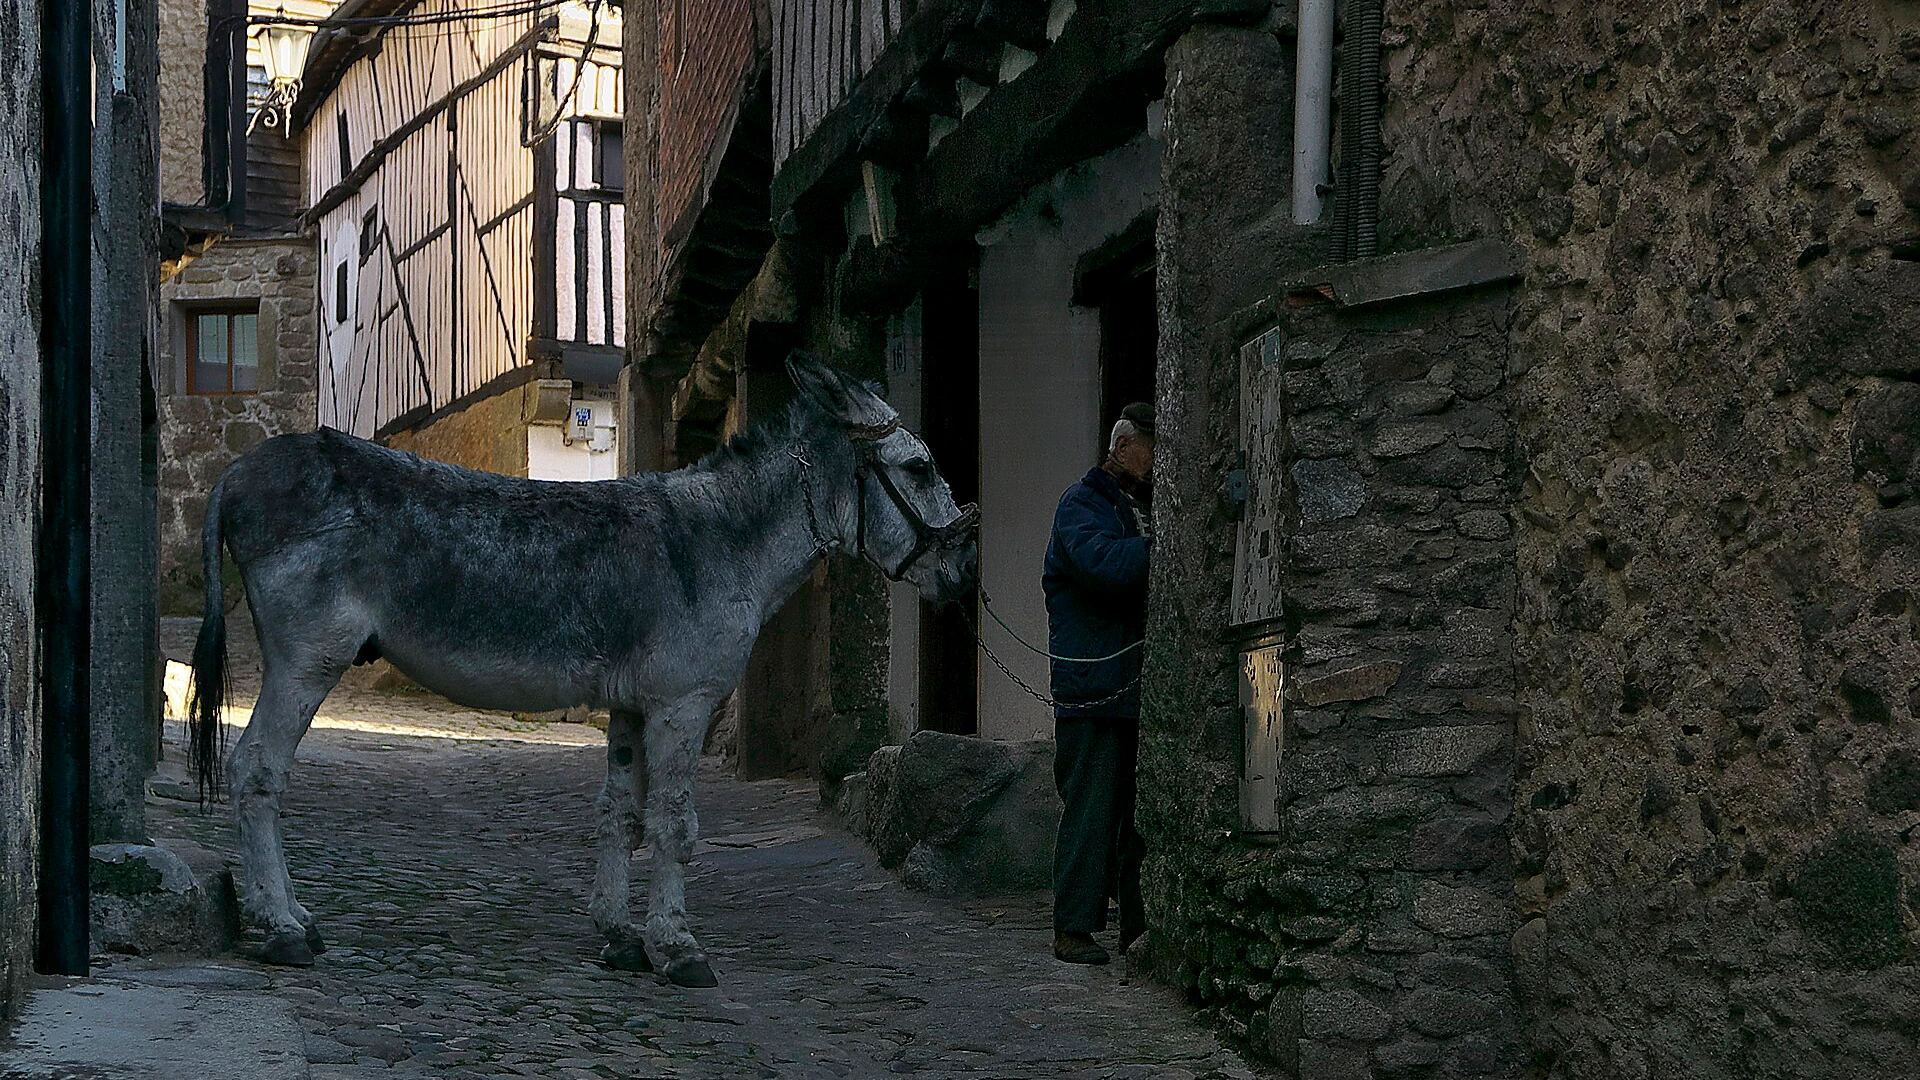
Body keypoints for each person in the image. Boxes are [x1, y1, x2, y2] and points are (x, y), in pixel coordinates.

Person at [1042, 401, 1154, 965]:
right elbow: (1104, 566)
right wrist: (1161, 552)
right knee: (1091, 810)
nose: (1157, 460)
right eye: (1151, 446)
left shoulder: (1135, 507)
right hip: (1093, 689)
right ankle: (1074, 928)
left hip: (1130, 687)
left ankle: (1136, 929)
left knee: (1136, 817)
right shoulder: (1082, 505)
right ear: (1123, 446)